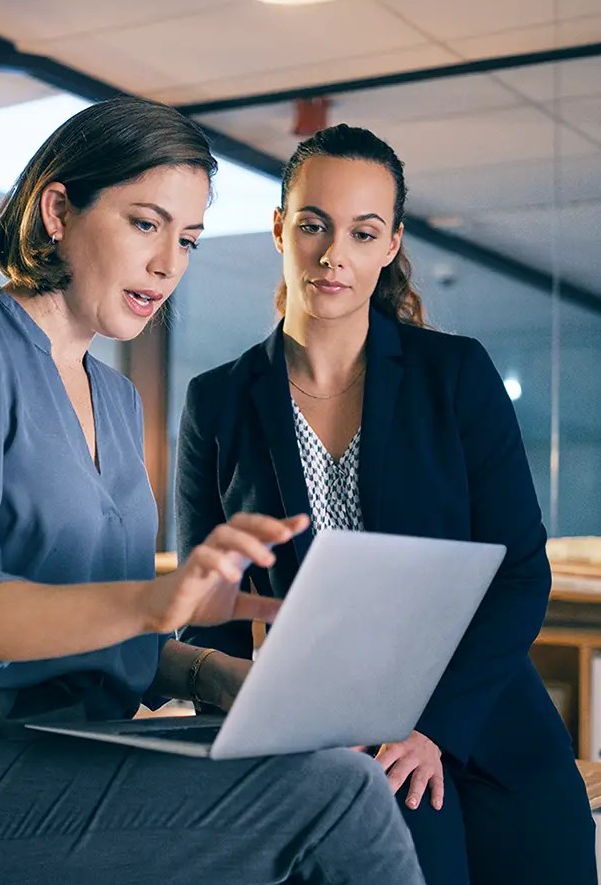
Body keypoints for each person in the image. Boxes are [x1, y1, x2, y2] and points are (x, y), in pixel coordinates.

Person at [0, 98, 425, 885]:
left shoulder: (114, 398)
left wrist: (232, 681)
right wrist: (152, 603)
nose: (168, 264)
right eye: (146, 224)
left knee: (318, 759)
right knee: (335, 796)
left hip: (70, 741)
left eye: (188, 240)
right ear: (57, 210)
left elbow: (106, 632)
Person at [175, 123, 597, 885]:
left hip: (485, 714)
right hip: (338, 740)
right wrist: (231, 758)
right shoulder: (218, 402)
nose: (334, 253)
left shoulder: (456, 376)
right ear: (280, 229)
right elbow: (214, 609)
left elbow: (519, 574)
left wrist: (435, 728)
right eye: (313, 225)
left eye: (362, 232)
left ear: (390, 244)